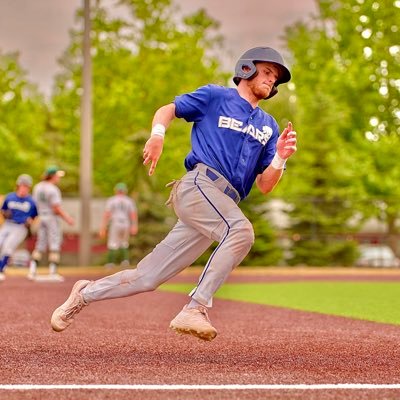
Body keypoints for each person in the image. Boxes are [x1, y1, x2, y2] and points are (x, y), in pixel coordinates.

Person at [51, 46, 297, 341]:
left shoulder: (268, 125)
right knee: (241, 231)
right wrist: (157, 135)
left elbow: (265, 185)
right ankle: (196, 307)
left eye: (276, 77)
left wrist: (280, 158)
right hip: (199, 186)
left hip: (220, 204)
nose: (272, 79)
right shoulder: (216, 96)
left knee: (147, 277)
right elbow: (169, 109)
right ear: (247, 69)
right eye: (268, 71)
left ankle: (85, 293)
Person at [28, 166, 75, 281]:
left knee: (40, 243)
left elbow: (34, 204)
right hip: (51, 217)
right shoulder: (53, 189)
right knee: (54, 243)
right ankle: (52, 271)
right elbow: (56, 208)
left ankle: (32, 270)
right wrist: (67, 218)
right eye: (57, 176)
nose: (58, 178)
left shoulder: (38, 187)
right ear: (53, 176)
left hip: (41, 216)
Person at [0, 174, 38, 281]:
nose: (24, 188)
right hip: (8, 224)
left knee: (7, 246)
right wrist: (4, 213)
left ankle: (1, 270)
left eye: (26, 186)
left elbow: (34, 216)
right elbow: (3, 210)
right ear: (18, 185)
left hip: (20, 227)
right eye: (22, 185)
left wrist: (30, 222)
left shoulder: (31, 201)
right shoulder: (10, 196)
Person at [99, 182, 138, 268]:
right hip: (126, 223)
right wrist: (134, 225)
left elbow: (107, 214)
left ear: (116, 190)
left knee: (112, 243)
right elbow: (133, 214)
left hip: (115, 222)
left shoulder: (112, 200)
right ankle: (125, 261)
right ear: (125, 191)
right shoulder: (129, 200)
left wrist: (103, 227)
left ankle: (110, 263)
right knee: (124, 243)